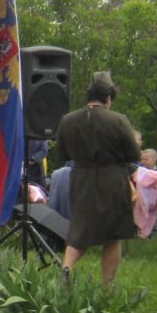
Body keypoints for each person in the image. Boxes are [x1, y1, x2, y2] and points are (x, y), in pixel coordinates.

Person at [55, 72, 140, 282]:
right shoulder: (118, 120)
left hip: (81, 179)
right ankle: (107, 286)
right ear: (108, 97)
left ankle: (67, 266)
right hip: (112, 180)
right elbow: (134, 155)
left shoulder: (67, 120)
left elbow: (63, 153)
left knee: (80, 230)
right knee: (112, 235)